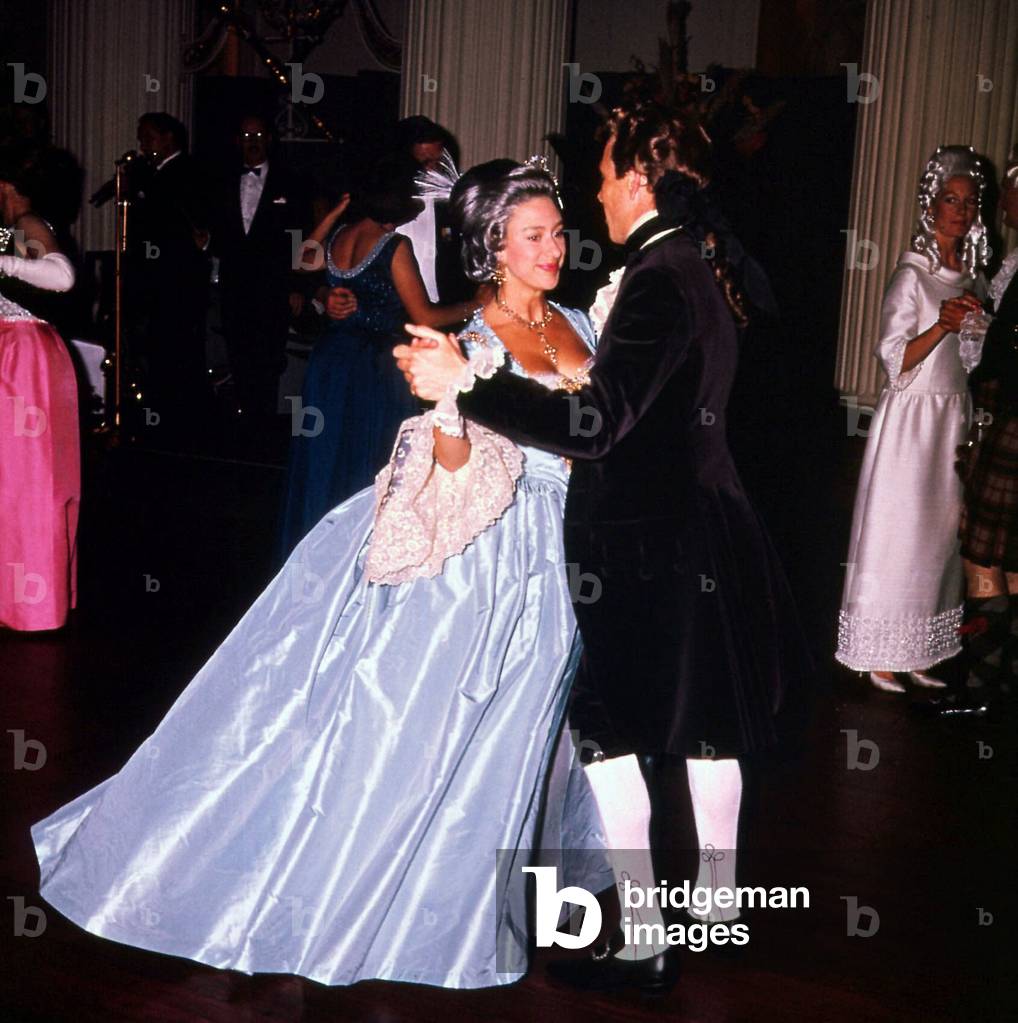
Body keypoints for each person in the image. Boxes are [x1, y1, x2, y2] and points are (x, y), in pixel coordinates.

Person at [31, 161, 609, 989]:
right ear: (492, 247)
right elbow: (454, 470)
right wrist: (448, 408)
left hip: (570, 549)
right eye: (534, 235)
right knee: (436, 721)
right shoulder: (470, 342)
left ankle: (495, 889)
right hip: (490, 551)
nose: (554, 247)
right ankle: (400, 897)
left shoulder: (584, 321)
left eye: (557, 231)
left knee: (529, 726)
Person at [397, 100, 812, 994]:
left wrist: (469, 387)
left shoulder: (659, 277)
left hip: (647, 545)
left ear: (635, 179)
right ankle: (715, 909)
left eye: (597, 178)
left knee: (609, 726)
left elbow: (593, 423)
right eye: (537, 229)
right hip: (687, 531)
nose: (589, 200)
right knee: (699, 727)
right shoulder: (687, 265)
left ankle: (649, 935)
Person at [836, 146, 990, 692]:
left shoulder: (965, 277)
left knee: (935, 537)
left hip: (950, 418)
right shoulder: (911, 275)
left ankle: (918, 645)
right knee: (898, 533)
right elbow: (894, 359)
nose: (961, 211)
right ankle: (879, 651)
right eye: (951, 200)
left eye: (969, 203)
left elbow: (967, 362)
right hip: (910, 423)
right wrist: (943, 326)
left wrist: (971, 328)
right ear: (931, 206)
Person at [277, 163, 482, 557]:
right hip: (374, 368)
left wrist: (337, 215)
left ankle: (320, 552)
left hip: (331, 362)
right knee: (371, 465)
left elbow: (301, 260)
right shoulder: (393, 247)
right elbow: (424, 316)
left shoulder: (341, 236)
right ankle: (364, 556)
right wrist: (478, 304)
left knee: (327, 461)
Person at [944, 146, 1018, 715]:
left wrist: (981, 333)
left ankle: (979, 689)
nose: (1003, 196)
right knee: (1011, 561)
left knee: (984, 558)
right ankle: (1003, 685)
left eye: (1013, 183)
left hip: (1011, 415)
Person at [0, 145, 80, 631]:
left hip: (25, 359)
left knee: (28, 481)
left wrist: (3, 265)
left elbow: (62, 276)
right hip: (11, 353)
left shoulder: (28, 224)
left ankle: (32, 603)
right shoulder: (8, 231)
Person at [211, 114, 310, 422]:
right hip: (234, 287)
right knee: (238, 359)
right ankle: (242, 428)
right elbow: (217, 233)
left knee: (268, 361)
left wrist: (297, 285)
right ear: (236, 141)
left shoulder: (291, 182)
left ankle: (263, 433)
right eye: (245, 136)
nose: (252, 142)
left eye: (258, 135)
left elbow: (302, 237)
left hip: (274, 288)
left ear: (269, 139)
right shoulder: (222, 180)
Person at [128, 112, 210, 436]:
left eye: (148, 137)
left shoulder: (183, 172)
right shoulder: (151, 174)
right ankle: (162, 414)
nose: (143, 145)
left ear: (168, 138)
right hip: (158, 281)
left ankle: (178, 420)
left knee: (178, 349)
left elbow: (182, 226)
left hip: (177, 281)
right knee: (160, 348)